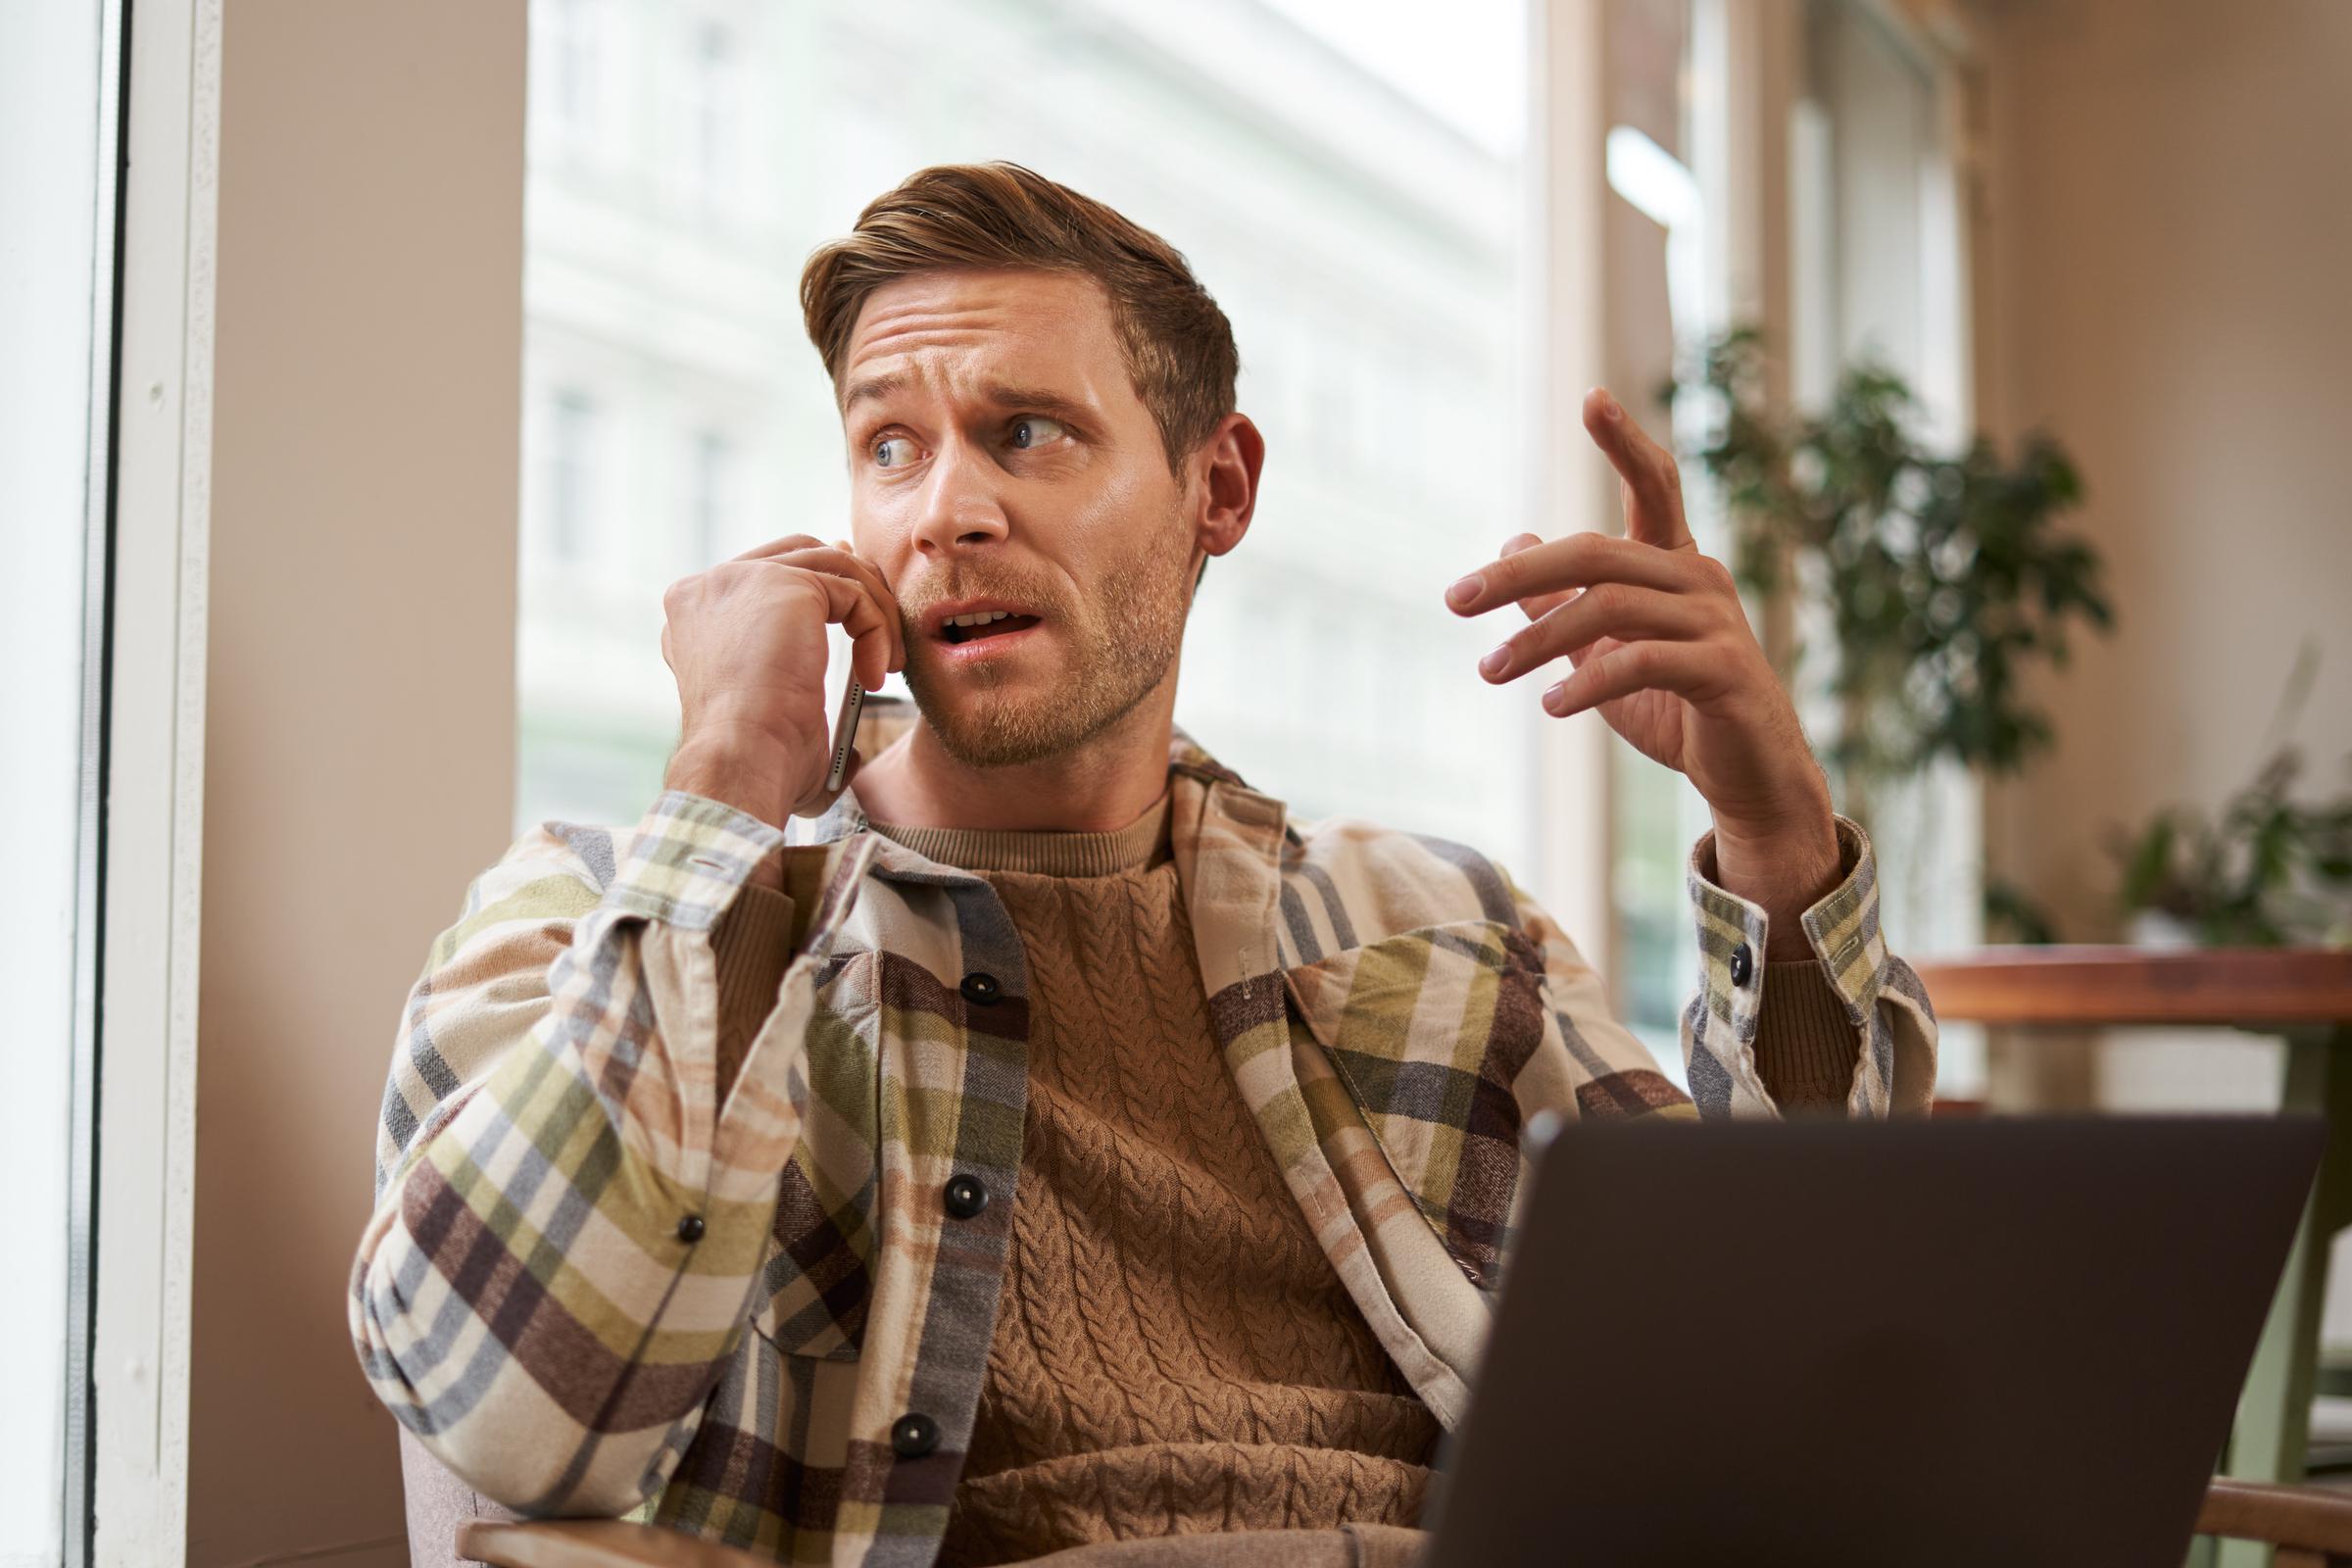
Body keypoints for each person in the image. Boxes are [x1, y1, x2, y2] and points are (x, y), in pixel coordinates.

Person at [351, 163, 1936, 1568]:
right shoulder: (616, 923)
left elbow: (1794, 1362)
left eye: (1025, 434)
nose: (944, 512)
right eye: (888, 448)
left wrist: (1778, 830)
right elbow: (509, 1427)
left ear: (1216, 489)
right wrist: (723, 789)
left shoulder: (1439, 924)